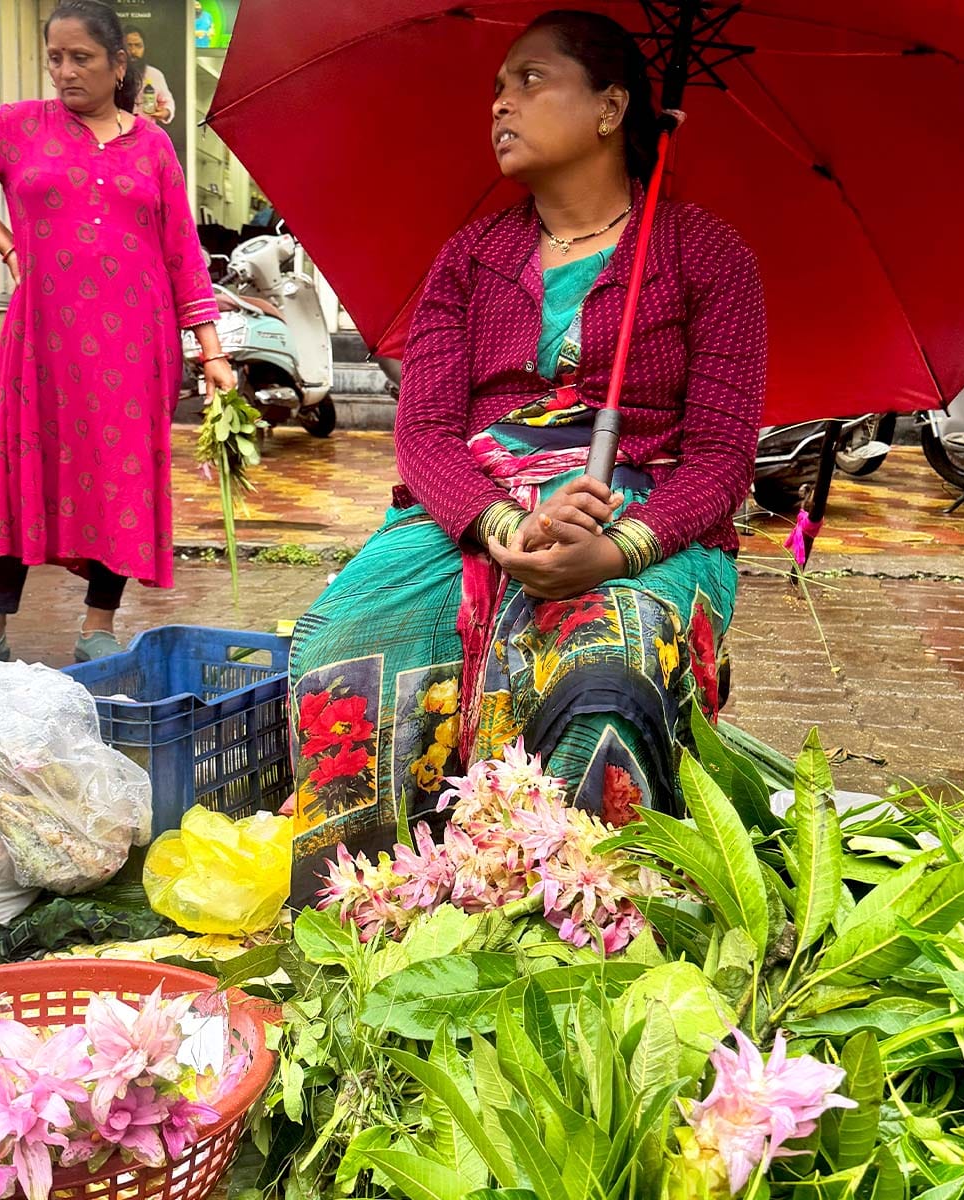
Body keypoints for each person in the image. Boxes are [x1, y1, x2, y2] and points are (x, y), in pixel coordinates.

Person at [287, 9, 766, 901]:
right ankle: (373, 915)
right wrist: (504, 523)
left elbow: (721, 459)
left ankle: (574, 928)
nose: (501, 103)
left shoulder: (708, 256)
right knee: (341, 645)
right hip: (470, 513)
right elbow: (425, 432)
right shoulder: (470, 259)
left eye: (530, 80)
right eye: (498, 88)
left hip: (648, 524)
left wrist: (618, 550)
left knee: (607, 667)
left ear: (611, 107)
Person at [0, 0, 234, 662]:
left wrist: (211, 351)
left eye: (81, 59)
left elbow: (181, 252)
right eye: (55, 59)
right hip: (40, 340)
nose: (65, 72)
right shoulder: (19, 127)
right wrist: (8, 247)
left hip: (134, 347)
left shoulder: (152, 146)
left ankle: (98, 624)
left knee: (119, 479)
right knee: (19, 468)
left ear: (118, 62)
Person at [123, 26, 175, 124]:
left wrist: (165, 112)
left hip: (147, 133)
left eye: (138, 46)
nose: (133, 51)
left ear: (144, 48)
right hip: (118, 134)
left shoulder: (155, 74)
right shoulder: (111, 74)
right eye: (128, 46)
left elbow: (167, 101)